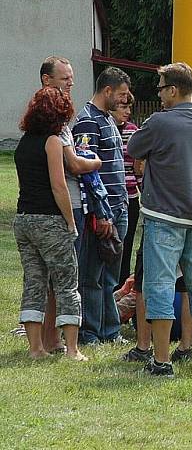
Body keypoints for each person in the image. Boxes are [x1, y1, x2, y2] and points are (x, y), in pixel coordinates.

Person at [128, 62, 192, 378]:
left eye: (161, 87)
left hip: (163, 216)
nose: (158, 93)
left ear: (172, 90)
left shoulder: (159, 123)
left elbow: (134, 148)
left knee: (159, 287)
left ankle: (162, 360)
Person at [13, 87, 87, 361]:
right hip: (50, 221)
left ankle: (36, 348)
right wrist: (70, 220)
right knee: (66, 282)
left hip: (24, 220)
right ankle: (72, 349)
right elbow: (59, 185)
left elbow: (24, 185)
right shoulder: (53, 141)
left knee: (34, 283)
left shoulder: (23, 143)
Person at [35, 56, 101, 353]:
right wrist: (96, 161)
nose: (71, 83)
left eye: (71, 78)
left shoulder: (37, 122)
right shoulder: (56, 126)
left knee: (47, 278)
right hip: (64, 207)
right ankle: (62, 342)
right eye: (64, 79)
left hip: (42, 209)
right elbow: (72, 166)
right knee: (64, 278)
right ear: (47, 80)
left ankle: (49, 338)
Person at [72, 66, 131, 344]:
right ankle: (90, 332)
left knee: (110, 276)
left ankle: (111, 330)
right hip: (102, 212)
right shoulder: (87, 122)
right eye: (120, 94)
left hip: (119, 207)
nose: (123, 100)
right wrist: (100, 213)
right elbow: (87, 172)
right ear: (107, 91)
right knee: (92, 276)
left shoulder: (107, 119)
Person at [110, 93, 143, 288]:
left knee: (126, 244)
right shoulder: (103, 128)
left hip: (130, 198)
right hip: (108, 198)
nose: (127, 112)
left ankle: (120, 284)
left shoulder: (133, 132)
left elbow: (138, 167)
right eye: (123, 107)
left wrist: (142, 190)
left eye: (129, 108)